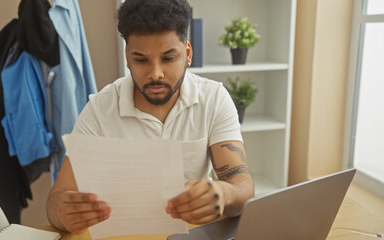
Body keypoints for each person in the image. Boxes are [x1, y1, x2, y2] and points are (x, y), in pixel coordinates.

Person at [46, 0, 254, 234]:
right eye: (141, 60)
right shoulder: (99, 109)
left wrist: (224, 194)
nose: (155, 74)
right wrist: (64, 212)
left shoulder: (214, 98)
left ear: (187, 53)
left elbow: (242, 187)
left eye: (168, 58)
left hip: (192, 234)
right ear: (127, 57)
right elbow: (57, 199)